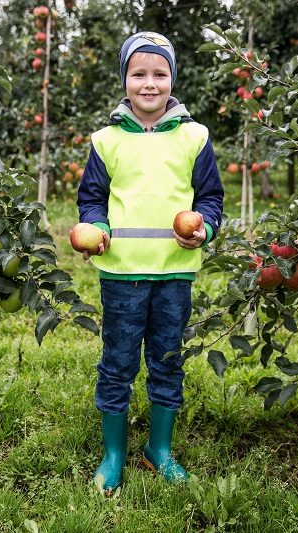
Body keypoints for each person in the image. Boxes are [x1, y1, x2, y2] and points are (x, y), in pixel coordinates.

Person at [77, 31, 224, 494]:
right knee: (117, 362)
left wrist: (207, 229)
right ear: (125, 79)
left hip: (174, 275)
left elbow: (211, 198)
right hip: (121, 274)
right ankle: (114, 453)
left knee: (166, 360)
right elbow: (92, 200)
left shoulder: (194, 137)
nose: (149, 83)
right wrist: (95, 228)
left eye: (159, 73)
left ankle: (158, 450)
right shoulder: (105, 141)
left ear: (172, 79)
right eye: (139, 73)